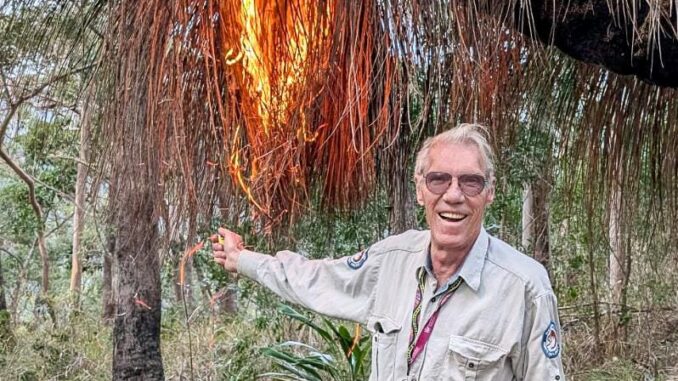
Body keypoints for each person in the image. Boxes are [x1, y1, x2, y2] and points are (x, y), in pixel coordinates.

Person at [211, 123, 566, 380]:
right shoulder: (390, 261)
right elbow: (314, 278)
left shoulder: (525, 286)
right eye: (438, 179)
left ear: (489, 192)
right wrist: (241, 259)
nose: (454, 195)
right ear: (420, 190)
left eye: (470, 181)